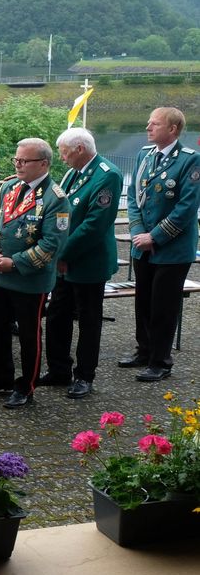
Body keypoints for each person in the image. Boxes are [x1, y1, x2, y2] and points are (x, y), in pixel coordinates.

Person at [0, 138, 69, 408]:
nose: (18, 165)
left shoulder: (55, 199)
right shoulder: (9, 187)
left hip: (29, 280)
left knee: (29, 335)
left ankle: (26, 385)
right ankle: (1, 376)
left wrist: (14, 263)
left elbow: (52, 244)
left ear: (43, 164)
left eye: (24, 161)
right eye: (16, 160)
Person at [41, 128, 123, 398]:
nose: (62, 158)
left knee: (88, 320)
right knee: (56, 315)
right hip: (65, 259)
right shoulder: (74, 171)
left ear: (79, 149)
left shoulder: (107, 174)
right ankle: (59, 369)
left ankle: (85, 376)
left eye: (64, 152)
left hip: (88, 260)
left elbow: (94, 224)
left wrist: (63, 253)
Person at [121, 107, 200, 382]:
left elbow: (187, 207)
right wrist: (138, 233)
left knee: (163, 306)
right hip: (141, 244)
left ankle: (161, 361)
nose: (147, 127)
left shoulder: (190, 161)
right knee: (142, 301)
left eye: (154, 124)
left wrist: (155, 236)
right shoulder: (145, 154)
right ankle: (144, 350)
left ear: (173, 129)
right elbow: (133, 196)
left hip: (172, 249)